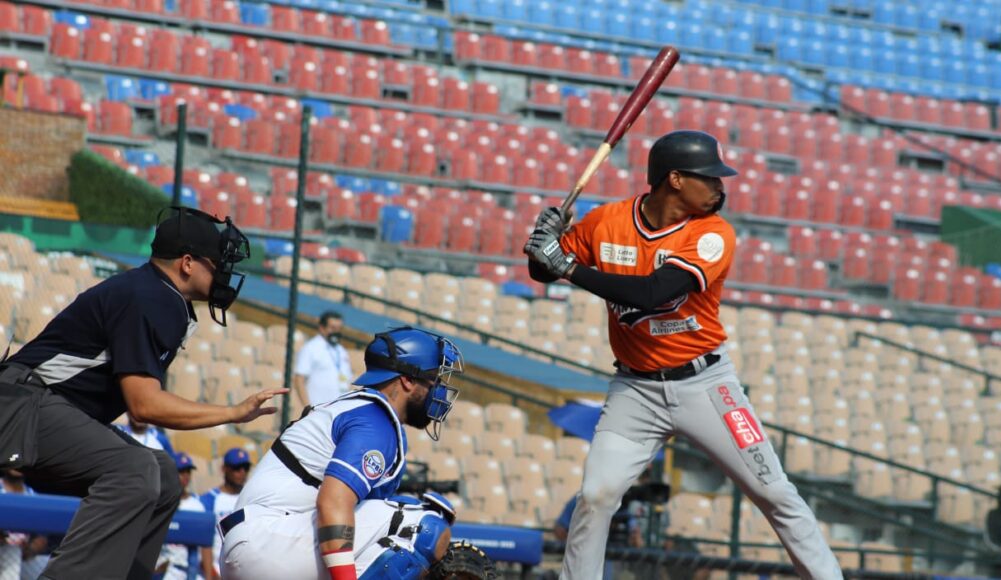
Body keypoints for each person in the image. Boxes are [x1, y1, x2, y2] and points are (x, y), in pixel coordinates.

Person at [524, 131, 842, 580]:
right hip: (635, 389)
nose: (720, 187)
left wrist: (569, 267)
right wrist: (545, 241)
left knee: (774, 492)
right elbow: (542, 270)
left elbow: (653, 293)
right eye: (709, 177)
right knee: (596, 495)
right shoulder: (606, 221)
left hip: (705, 384)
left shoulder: (713, 233)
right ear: (674, 179)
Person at [0, 206, 287, 580]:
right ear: (187, 263)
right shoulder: (149, 296)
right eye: (217, 264)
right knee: (135, 470)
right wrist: (233, 412)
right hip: (21, 407)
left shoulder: (158, 294)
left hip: (45, 412)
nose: (224, 273)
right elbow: (144, 405)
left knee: (164, 476)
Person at [219, 327, 463, 579]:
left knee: (401, 511)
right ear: (408, 380)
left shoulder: (358, 408)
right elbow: (333, 502)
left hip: (263, 542)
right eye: (433, 379)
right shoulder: (375, 420)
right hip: (268, 541)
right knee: (423, 527)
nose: (439, 389)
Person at [157, 452, 212, 580]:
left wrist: (209, 577)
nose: (186, 475)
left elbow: (205, 545)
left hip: (191, 570)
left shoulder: (197, 504)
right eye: (181, 471)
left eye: (188, 471)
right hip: (166, 569)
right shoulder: (159, 503)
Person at [201, 448, 252, 579]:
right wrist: (212, 574)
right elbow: (203, 543)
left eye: (246, 468)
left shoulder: (252, 498)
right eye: (237, 468)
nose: (242, 472)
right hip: (218, 571)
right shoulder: (209, 500)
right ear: (224, 469)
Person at [294, 311, 354, 407]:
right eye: (333, 328)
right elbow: (299, 379)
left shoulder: (341, 350)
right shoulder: (310, 348)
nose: (336, 332)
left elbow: (348, 380)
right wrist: (308, 408)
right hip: (318, 408)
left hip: (339, 409)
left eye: (339, 328)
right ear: (322, 328)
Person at [0, 469, 50, 580]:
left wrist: (30, 550)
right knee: (11, 550)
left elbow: (41, 538)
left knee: (53, 565)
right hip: (4, 551)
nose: (17, 466)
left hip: (21, 557)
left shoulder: (33, 496)